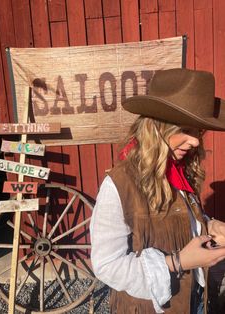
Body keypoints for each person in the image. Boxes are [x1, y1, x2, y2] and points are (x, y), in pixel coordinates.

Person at [90, 68, 225, 314]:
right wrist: (178, 262)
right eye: (186, 129)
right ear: (157, 128)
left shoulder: (180, 171)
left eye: (198, 131)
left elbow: (174, 220)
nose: (195, 141)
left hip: (193, 301)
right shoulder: (118, 185)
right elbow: (106, 265)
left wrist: (208, 224)